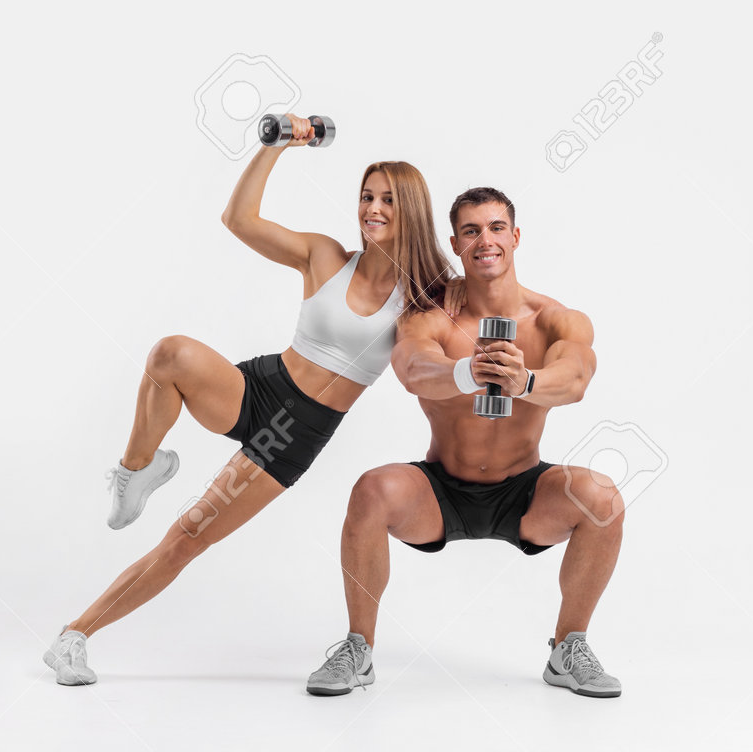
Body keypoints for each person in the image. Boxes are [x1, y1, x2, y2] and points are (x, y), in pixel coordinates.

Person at [42, 115, 462, 685]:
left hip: (293, 436)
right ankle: (136, 471)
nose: (373, 209)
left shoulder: (426, 295)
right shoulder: (325, 256)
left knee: (188, 537)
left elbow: (466, 327)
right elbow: (238, 220)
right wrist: (277, 144)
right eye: (366, 196)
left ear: (410, 208)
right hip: (262, 387)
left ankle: (74, 636)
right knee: (171, 354)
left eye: (387, 199)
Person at [306, 187, 625, 698]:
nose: (486, 240)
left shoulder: (554, 319)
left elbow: (577, 377)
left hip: (525, 491)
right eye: (472, 231)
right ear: (456, 244)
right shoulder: (431, 317)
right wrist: (465, 370)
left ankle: (568, 647)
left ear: (515, 236)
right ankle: (357, 647)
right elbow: (412, 369)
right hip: (441, 490)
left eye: (497, 227)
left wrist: (526, 383)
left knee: (603, 498)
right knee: (372, 490)